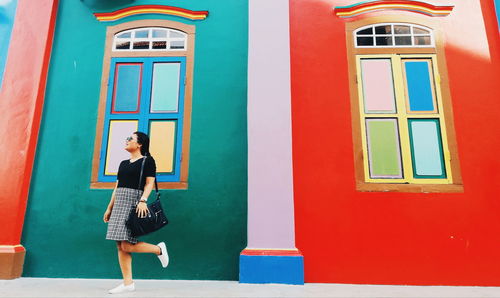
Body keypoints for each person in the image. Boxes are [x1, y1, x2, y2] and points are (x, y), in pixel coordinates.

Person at [103, 131, 169, 294]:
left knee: (127, 244)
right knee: (120, 245)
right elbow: (117, 187)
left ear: (139, 144)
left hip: (134, 201)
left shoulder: (148, 161)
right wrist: (109, 207)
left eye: (130, 139)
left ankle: (159, 250)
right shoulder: (123, 163)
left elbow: (149, 183)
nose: (126, 141)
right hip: (119, 202)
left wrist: (143, 200)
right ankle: (128, 283)